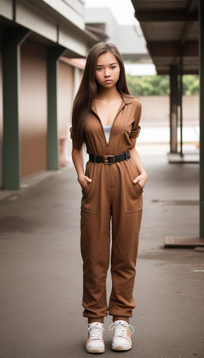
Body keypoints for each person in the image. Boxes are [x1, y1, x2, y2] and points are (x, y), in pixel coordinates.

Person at [70, 42, 147, 354]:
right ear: (92, 70)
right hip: (95, 177)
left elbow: (132, 145)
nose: (106, 73)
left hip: (127, 177)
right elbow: (76, 147)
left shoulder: (133, 104)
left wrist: (143, 173)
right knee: (94, 254)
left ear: (120, 68)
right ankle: (94, 323)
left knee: (125, 254)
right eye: (100, 67)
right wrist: (80, 175)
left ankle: (122, 321)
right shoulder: (82, 105)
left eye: (112, 67)